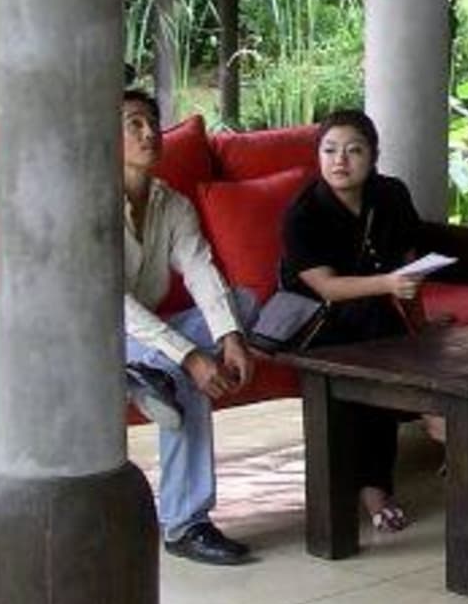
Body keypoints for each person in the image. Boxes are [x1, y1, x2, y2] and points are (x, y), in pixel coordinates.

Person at [279, 108, 445, 533]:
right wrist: (388, 284)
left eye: (353, 150)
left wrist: (421, 327)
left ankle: (377, 487)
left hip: (375, 320)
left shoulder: (391, 196)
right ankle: (429, 408)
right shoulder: (303, 212)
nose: (340, 160)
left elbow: (409, 269)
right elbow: (327, 288)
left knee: (377, 341)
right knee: (374, 327)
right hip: (314, 323)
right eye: (329, 150)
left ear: (373, 156)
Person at [119, 88, 259, 566]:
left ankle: (145, 376)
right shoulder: (87, 205)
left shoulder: (172, 205)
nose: (149, 133)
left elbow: (200, 269)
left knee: (242, 304)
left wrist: (228, 338)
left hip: (143, 337)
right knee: (185, 377)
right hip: (85, 336)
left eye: (152, 123)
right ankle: (186, 523)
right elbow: (108, 303)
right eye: (134, 124)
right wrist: (191, 356)